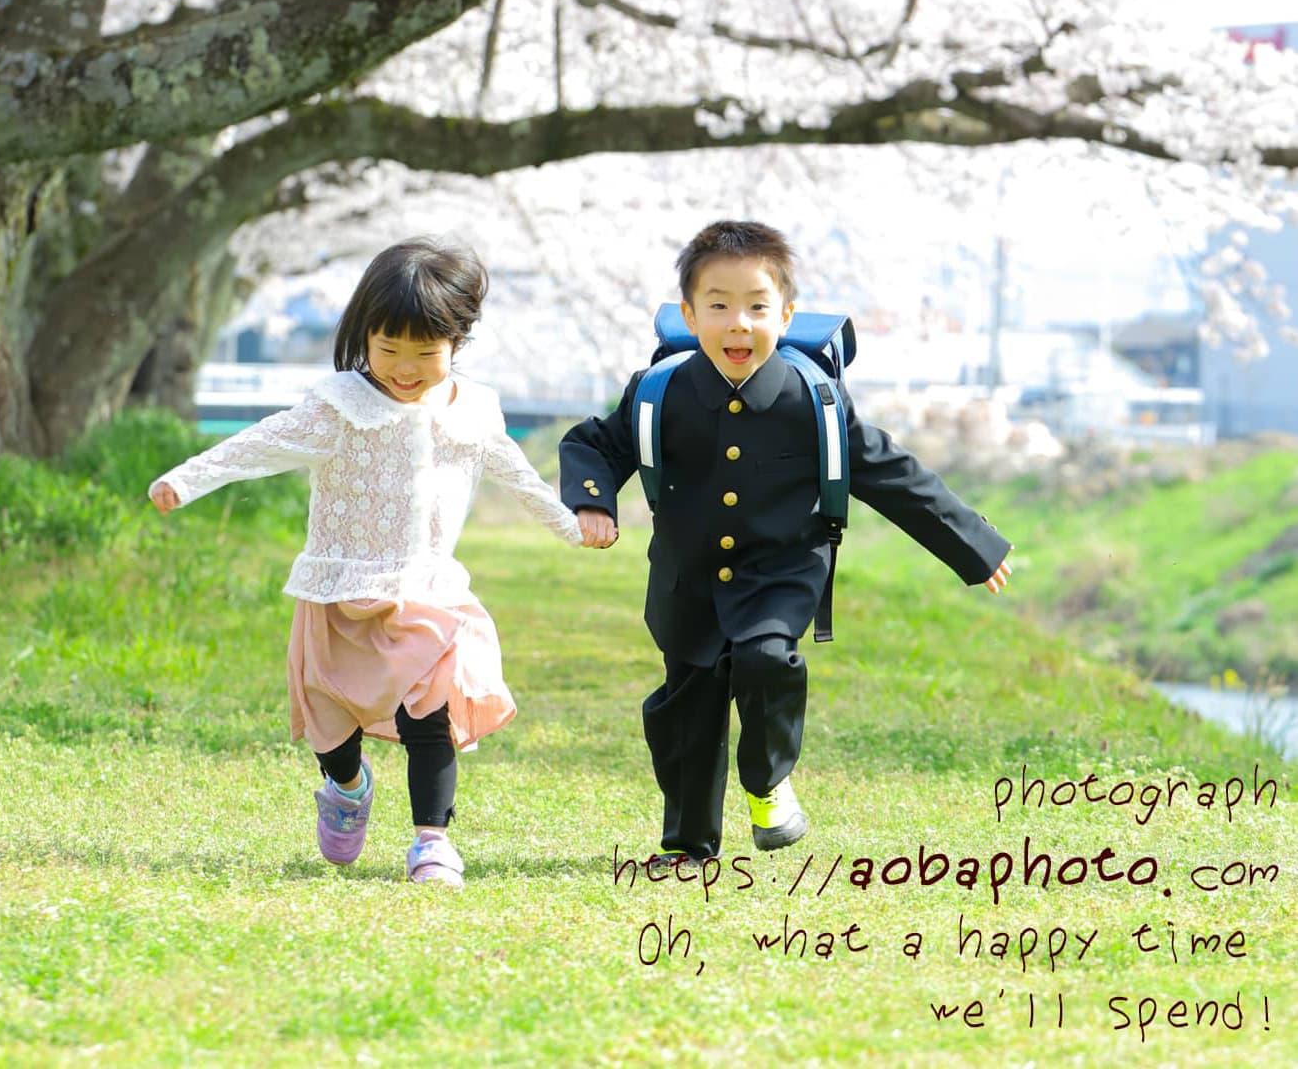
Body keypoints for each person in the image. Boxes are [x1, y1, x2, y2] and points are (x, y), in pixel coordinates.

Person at [560, 219, 1013, 868]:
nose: (737, 324)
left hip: (782, 570)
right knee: (684, 708)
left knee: (766, 658)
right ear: (688, 314)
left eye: (755, 306)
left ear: (786, 313)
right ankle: (688, 847)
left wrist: (974, 545)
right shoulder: (658, 392)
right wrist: (591, 499)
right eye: (717, 306)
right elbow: (592, 444)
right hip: (685, 578)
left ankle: (767, 780)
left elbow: (887, 471)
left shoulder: (813, 398)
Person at [149, 237, 580, 888]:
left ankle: (430, 843)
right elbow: (258, 444)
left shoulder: (473, 411)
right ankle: (346, 788)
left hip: (426, 590)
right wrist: (185, 481)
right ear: (364, 336)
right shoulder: (339, 408)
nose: (405, 368)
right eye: (389, 350)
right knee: (331, 725)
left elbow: (519, 478)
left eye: (424, 353)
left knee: (425, 713)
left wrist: (570, 526)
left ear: (456, 343)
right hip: (337, 590)